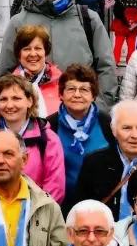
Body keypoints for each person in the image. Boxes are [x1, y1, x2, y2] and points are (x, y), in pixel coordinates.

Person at [0, 0, 117, 106]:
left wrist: (99, 108)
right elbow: (6, 75)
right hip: (33, 120)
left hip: (80, 116)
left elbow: (106, 68)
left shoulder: (88, 19)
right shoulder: (18, 22)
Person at [0, 76, 67, 202]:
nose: (9, 105)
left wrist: (35, 214)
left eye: (16, 98)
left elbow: (55, 187)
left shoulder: (48, 139)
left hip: (36, 215)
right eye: (3, 99)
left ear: (29, 101)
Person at [47, 64, 112, 204]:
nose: (77, 95)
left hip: (101, 204)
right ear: (61, 94)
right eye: (71, 89)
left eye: (84, 89)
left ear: (93, 96)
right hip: (60, 204)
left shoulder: (107, 124)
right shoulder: (49, 126)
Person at [8, 25, 63, 115]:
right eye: (27, 49)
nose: (33, 54)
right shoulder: (8, 86)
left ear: (46, 53)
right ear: (19, 55)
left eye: (38, 48)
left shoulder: (62, 82)